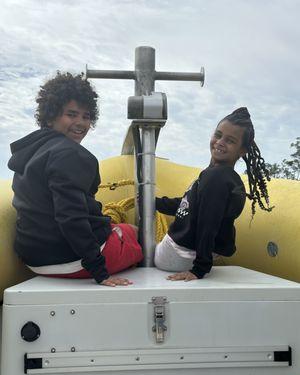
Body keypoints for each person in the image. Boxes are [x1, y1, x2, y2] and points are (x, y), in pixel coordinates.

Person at [8, 72, 143, 287]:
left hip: (33, 258)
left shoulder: (31, 152)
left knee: (115, 226)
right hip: (70, 260)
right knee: (132, 232)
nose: (80, 123)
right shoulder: (70, 154)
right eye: (71, 114)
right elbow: (70, 217)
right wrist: (100, 272)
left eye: (86, 116)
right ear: (51, 116)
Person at [154, 107, 273, 282]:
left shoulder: (216, 178)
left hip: (177, 254)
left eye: (230, 141)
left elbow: (208, 223)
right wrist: (154, 203)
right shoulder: (222, 177)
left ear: (243, 151)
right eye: (218, 135)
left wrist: (199, 269)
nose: (220, 142)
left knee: (132, 234)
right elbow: (188, 205)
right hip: (186, 252)